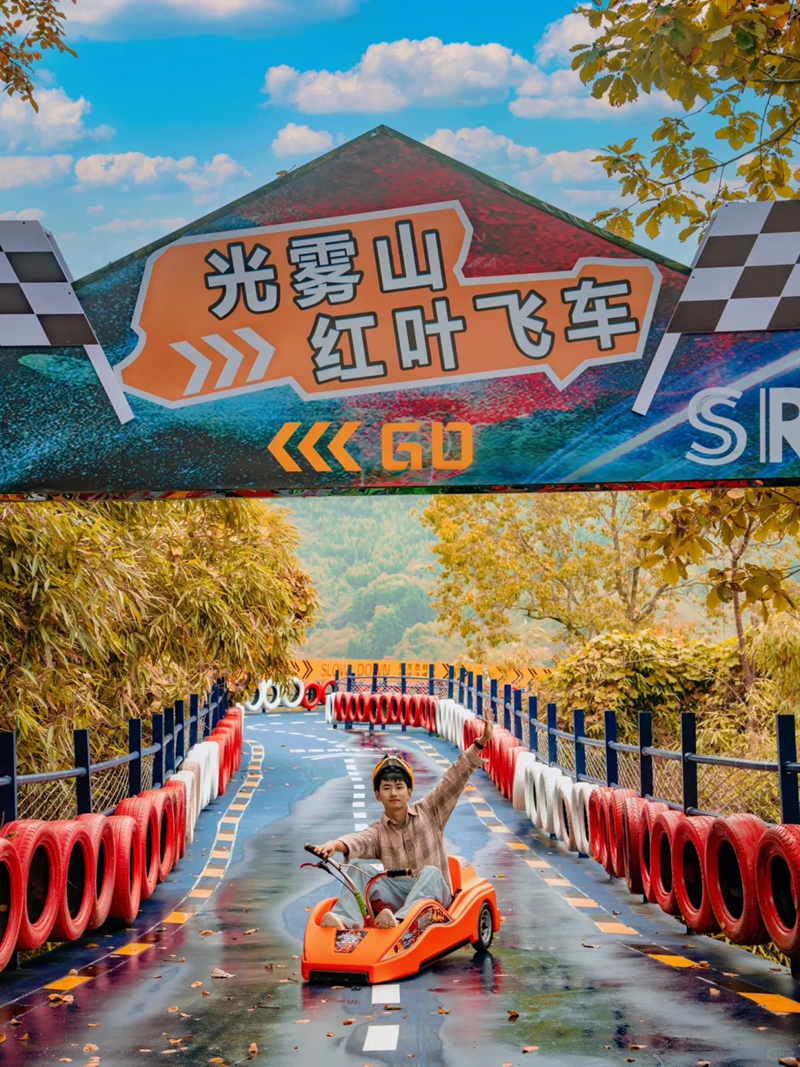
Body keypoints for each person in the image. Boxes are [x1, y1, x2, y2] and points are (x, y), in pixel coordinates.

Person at [311, 717, 493, 930]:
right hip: (400, 899)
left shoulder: (430, 810)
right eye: (387, 788)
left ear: (409, 792)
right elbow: (358, 841)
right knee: (358, 868)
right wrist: (334, 845)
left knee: (430, 872)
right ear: (378, 794)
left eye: (399, 787)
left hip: (435, 898)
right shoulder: (378, 832)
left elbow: (454, 778)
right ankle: (345, 921)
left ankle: (401, 924)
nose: (393, 793)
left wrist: (480, 742)